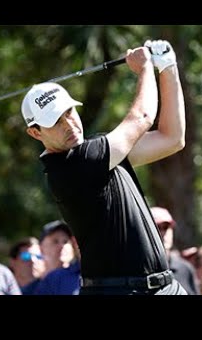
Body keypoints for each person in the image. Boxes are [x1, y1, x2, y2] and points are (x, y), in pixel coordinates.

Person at [22, 40, 186, 295]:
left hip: (165, 287)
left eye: (69, 112)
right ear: (35, 133)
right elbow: (142, 117)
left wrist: (167, 67)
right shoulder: (71, 166)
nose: (69, 124)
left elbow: (172, 138)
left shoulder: (100, 152)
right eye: (55, 121)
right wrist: (144, 68)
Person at [150, 207, 199, 294]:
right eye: (157, 228)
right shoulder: (139, 269)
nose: (163, 233)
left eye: (166, 227)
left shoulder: (185, 269)